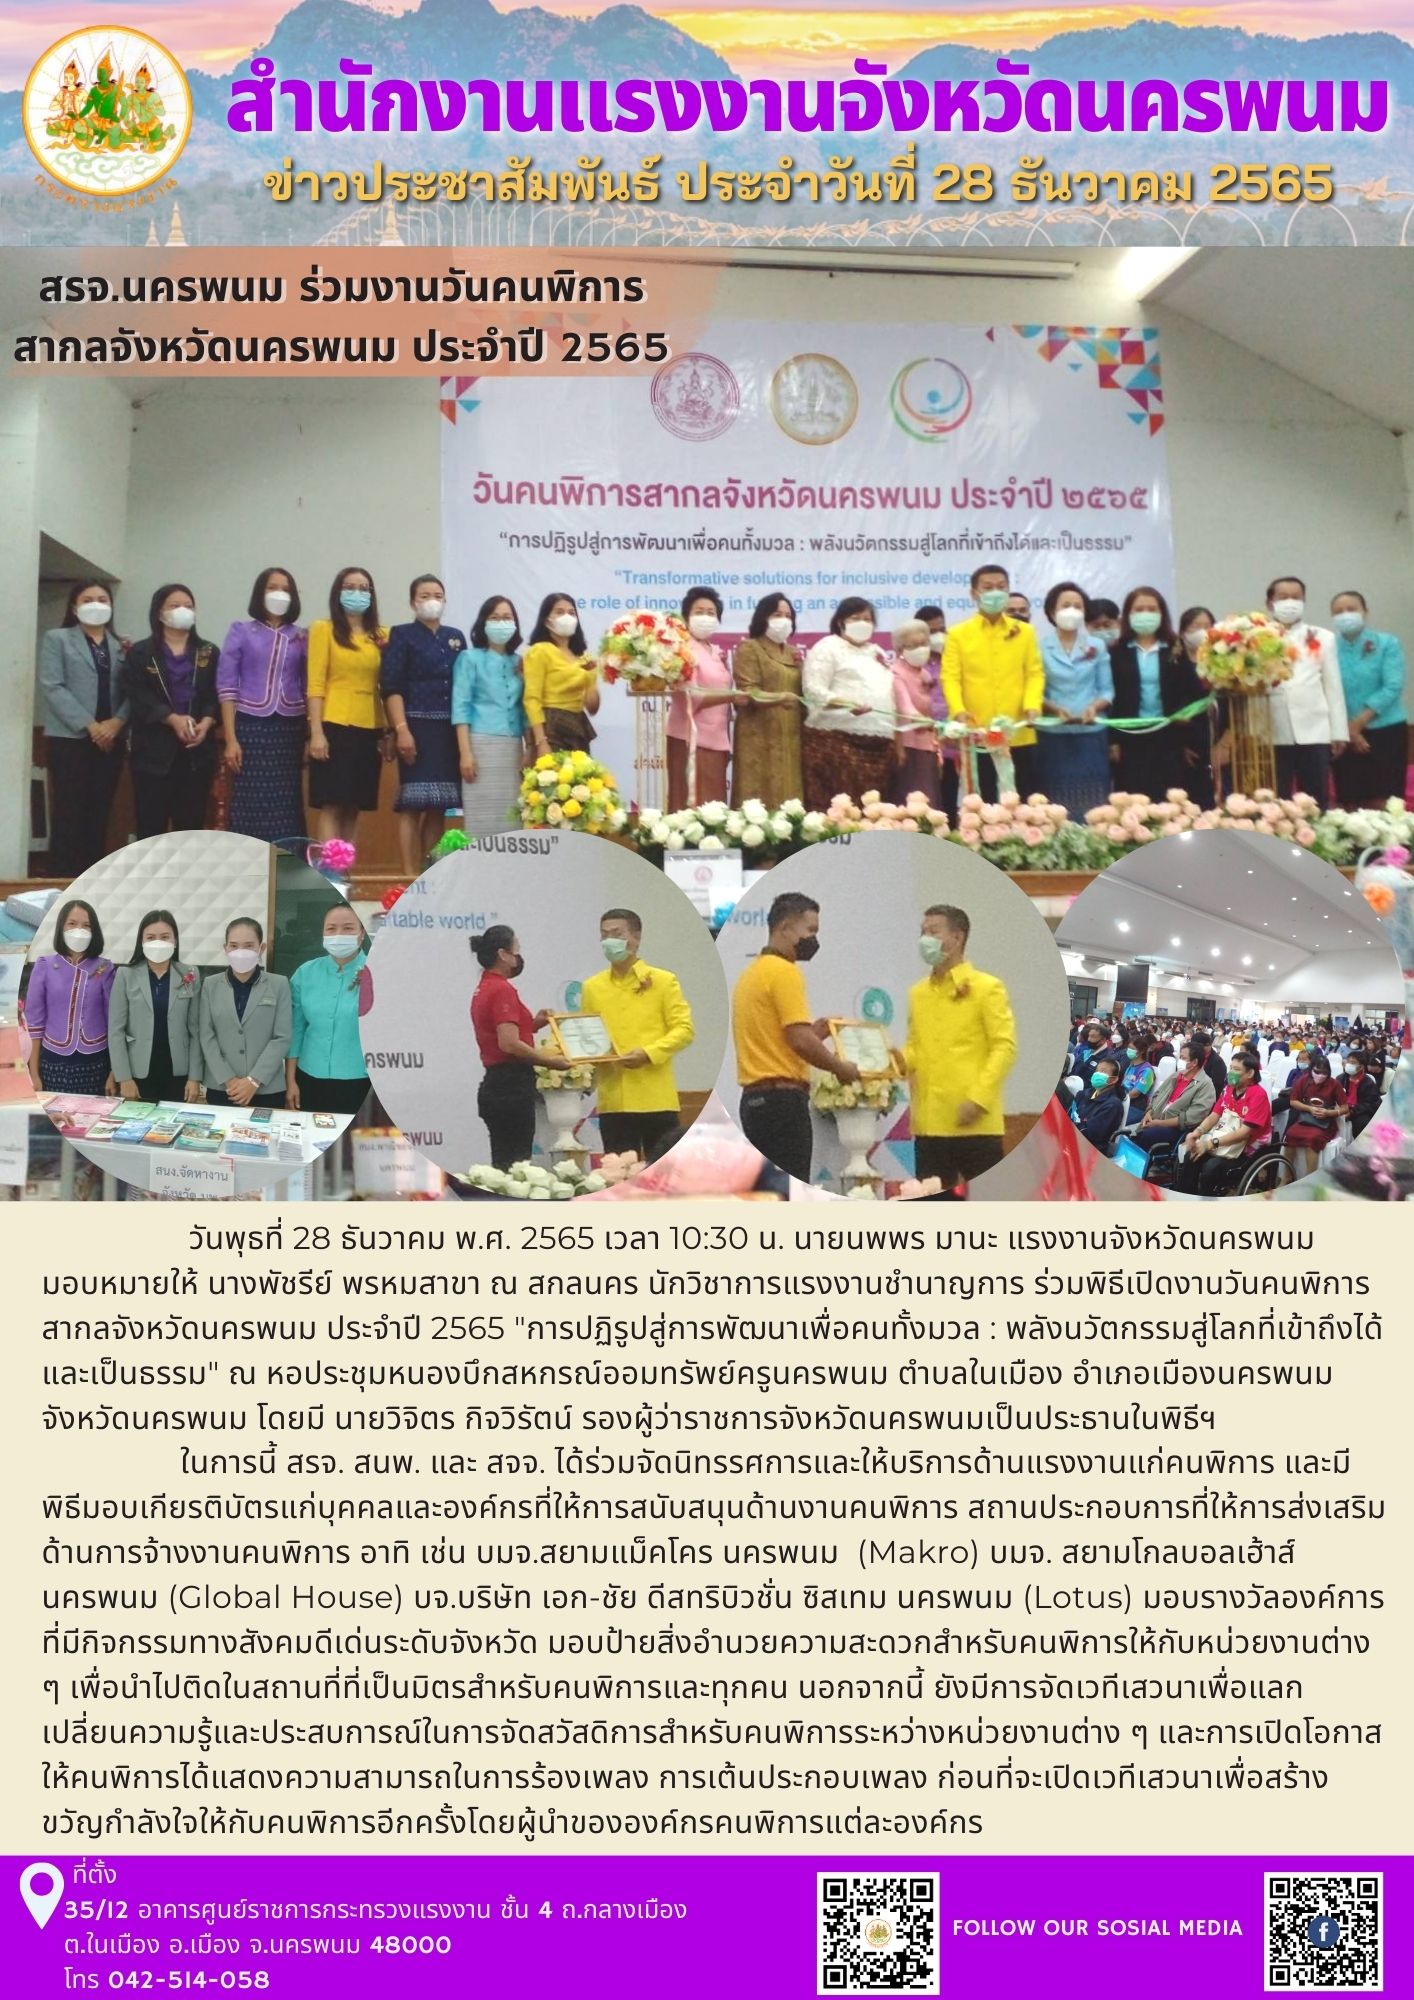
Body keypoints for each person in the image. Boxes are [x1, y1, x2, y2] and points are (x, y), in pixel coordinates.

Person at [731, 892, 860, 1185]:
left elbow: (779, 1040)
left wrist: (815, 1035)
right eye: (811, 930)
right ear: (786, 928)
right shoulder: (785, 972)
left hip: (754, 1103)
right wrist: (840, 1068)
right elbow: (799, 1040)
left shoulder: (751, 975)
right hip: (783, 1104)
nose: (814, 939)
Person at [905, 904, 1017, 1187]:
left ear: (957, 938)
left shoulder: (987, 987)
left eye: (933, 931)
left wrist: (978, 1099)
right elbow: (914, 1047)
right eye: (922, 932)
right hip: (929, 1123)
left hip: (974, 1122)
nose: (925, 939)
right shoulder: (918, 992)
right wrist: (888, 1061)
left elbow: (1004, 1047)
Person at [579, 908, 696, 1160]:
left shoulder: (663, 981)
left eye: (617, 933)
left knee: (664, 1173)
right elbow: (587, 1036)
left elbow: (684, 1030)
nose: (609, 940)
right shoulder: (592, 987)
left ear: (636, 937)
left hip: (656, 1098)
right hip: (614, 1100)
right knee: (618, 1173)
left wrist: (648, 1053)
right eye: (604, 935)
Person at [39, 580, 130, 874]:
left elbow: (135, 691)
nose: (96, 605)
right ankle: (61, 881)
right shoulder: (58, 639)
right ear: (74, 606)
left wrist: (117, 722)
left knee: (99, 813)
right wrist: (91, 726)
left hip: (111, 740)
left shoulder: (122, 646)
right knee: (69, 813)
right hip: (71, 738)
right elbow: (53, 686)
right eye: (88, 599)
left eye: (103, 599)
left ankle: (91, 882)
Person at [122, 583, 221, 840]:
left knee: (190, 827)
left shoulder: (209, 651)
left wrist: (207, 722)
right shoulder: (141, 653)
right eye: (175, 606)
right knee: (150, 827)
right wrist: (171, 718)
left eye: (188, 606)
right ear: (159, 612)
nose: (183, 611)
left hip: (196, 753)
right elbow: (138, 695)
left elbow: (216, 693)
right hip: (152, 752)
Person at [381, 574, 464, 876]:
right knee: (412, 804)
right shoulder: (402, 635)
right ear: (412, 602)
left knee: (438, 805)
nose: (432, 601)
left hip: (448, 731)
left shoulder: (456, 637)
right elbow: (392, 686)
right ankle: (408, 875)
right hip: (415, 727)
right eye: (425, 595)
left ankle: (432, 873)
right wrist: (401, 730)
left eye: (437, 595)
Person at [469, 925, 571, 1171]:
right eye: (516, 949)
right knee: (516, 1166)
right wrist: (551, 1062)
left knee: (505, 1163)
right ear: (503, 954)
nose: (518, 956)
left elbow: (501, 1033)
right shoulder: (502, 989)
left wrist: (534, 1024)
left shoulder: (486, 986)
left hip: (499, 1085)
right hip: (511, 1087)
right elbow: (508, 1043)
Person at [218, 567, 309, 844]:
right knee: (250, 796)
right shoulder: (241, 631)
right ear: (260, 592)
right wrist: (231, 739)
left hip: (289, 728)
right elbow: (226, 686)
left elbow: (310, 686)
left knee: (287, 799)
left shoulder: (302, 636)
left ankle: (286, 860)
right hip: (251, 725)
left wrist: (309, 734)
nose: (279, 593)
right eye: (272, 587)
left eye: (286, 589)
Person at [940, 565, 1044, 801]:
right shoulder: (958, 634)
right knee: (983, 802)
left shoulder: (1025, 632)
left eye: (1001, 587)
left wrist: (1032, 704)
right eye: (987, 587)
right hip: (977, 732)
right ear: (974, 593)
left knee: (1022, 800)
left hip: (1018, 730)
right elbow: (951, 677)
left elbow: (1034, 673)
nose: (995, 592)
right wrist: (958, 711)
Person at [307, 567, 388, 847]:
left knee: (355, 806)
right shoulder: (324, 629)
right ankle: (329, 870)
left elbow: (387, 684)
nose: (357, 593)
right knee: (333, 803)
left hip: (369, 727)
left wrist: (388, 731)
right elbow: (315, 684)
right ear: (338, 593)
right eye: (350, 587)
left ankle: (345, 868)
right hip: (335, 725)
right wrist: (316, 733)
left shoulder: (381, 636)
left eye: (364, 588)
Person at [801, 597, 900, 810]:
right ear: (840, 622)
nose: (863, 623)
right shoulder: (828, 647)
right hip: (836, 743)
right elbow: (813, 690)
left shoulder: (877, 652)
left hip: (880, 747)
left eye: (867, 619)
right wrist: (845, 704)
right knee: (839, 813)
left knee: (873, 815)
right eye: (856, 618)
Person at [1109, 586, 1202, 799]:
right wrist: (1112, 741)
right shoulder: (1117, 651)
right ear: (1128, 614)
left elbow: (1191, 691)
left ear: (1162, 614)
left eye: (1152, 609)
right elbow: (1112, 698)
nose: (1146, 614)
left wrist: (1184, 716)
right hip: (1130, 738)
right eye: (1139, 609)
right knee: (1133, 797)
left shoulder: (1175, 648)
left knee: (1169, 797)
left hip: (1169, 737)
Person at [1264, 576, 1347, 802]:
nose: (1290, 602)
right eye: (1283, 597)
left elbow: (1333, 686)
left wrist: (1338, 732)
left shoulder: (1323, 637)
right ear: (1270, 603)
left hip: (1314, 731)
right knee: (1274, 800)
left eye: (1296, 597)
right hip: (1271, 731)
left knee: (1315, 798)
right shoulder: (1255, 637)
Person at [196, 917, 292, 1110]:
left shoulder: (279, 984)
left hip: (266, 1088)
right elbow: (206, 1035)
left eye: (249, 946)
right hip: (223, 1087)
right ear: (225, 949)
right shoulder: (210, 985)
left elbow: (282, 1037)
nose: (241, 952)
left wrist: (254, 1080)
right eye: (234, 946)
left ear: (261, 948)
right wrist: (229, 1079)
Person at [285, 903, 372, 1117]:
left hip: (361, 1080)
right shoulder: (306, 973)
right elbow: (295, 1030)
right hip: (309, 1078)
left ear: (362, 933)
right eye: (331, 929)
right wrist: (290, 1081)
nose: (339, 935)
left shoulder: (378, 972)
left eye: (348, 928)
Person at [108, 909, 202, 1105]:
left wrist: (195, 1077)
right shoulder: (126, 975)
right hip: (138, 1072)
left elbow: (196, 1031)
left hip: (178, 1073)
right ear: (141, 942)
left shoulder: (190, 974)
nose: (158, 942)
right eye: (150, 937)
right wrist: (124, 1078)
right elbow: (116, 1031)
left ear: (175, 941)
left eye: (165, 937)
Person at [452, 595, 528, 836]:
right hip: (480, 745)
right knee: (482, 819)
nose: (501, 623)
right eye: (494, 618)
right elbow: (460, 707)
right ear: (483, 623)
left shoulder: (520, 662)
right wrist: (465, 753)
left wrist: (529, 749)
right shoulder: (469, 658)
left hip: (513, 747)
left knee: (512, 818)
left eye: (507, 617)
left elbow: (525, 708)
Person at [1036, 581, 1113, 817]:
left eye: (1077, 606)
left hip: (1091, 733)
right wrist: (1053, 708)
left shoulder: (1096, 646)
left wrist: (1094, 707)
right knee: (1054, 801)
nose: (1072, 610)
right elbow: (1034, 693)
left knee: (1094, 802)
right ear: (1052, 612)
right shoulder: (1039, 647)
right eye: (1065, 605)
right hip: (1052, 735)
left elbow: (1107, 691)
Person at [23, 899, 114, 1096]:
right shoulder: (45, 965)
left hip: (95, 1061)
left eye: (86, 925)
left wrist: (114, 1072)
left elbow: (114, 1023)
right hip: (54, 1060)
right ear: (61, 928)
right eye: (72, 923)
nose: (79, 930)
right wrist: (33, 1073)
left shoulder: (105, 968)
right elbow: (34, 1024)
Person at [1330, 591, 1407, 808]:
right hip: (1343, 734)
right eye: (1338, 611)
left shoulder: (1386, 643)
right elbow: (1328, 691)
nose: (1345, 615)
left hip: (1385, 730)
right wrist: (1348, 729)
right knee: (1349, 801)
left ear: (1365, 612)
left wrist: (1358, 724)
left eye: (1351, 609)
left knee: (1386, 802)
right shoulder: (1329, 648)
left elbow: (1392, 686)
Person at [730, 593, 804, 809]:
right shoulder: (749, 648)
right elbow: (748, 691)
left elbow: (802, 691)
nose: (784, 620)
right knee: (757, 799)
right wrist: (780, 697)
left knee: (790, 796)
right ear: (763, 617)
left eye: (788, 616)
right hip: (758, 734)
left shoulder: (793, 653)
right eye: (777, 615)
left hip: (790, 734)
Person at [668, 587, 738, 809]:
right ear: (686, 616)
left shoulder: (714, 651)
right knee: (690, 809)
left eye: (711, 613)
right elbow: (691, 697)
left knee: (714, 809)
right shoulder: (681, 649)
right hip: (689, 739)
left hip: (717, 739)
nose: (705, 617)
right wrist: (731, 696)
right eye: (699, 612)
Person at [1175, 1047, 1271, 1195]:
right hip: (1224, 1137)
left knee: (1211, 1167)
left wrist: (1209, 1144)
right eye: (1231, 1068)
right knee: (1191, 1156)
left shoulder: (1258, 1095)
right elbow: (1214, 1115)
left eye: (1237, 1069)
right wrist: (1197, 1132)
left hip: (1247, 1149)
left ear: (1250, 1073)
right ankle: (1186, 1196)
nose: (1231, 1072)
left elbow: (1244, 1133)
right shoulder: (1228, 1090)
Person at [522, 593, 599, 757]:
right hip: (550, 727)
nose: (567, 617)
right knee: (555, 773)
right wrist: (541, 741)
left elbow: (592, 707)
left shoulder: (583, 657)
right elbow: (532, 699)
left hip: (577, 724)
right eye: (559, 612)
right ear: (546, 620)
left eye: (571, 613)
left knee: (581, 774)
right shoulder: (539, 651)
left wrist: (592, 680)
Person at [889, 619, 943, 808]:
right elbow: (906, 708)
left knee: (931, 801)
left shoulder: (924, 674)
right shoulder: (896, 674)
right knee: (916, 803)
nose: (921, 649)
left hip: (928, 745)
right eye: (913, 645)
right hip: (908, 747)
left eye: (924, 643)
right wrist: (926, 721)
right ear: (900, 649)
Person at [1128, 1041, 1216, 1158]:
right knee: (1133, 1134)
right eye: (1180, 1057)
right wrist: (1149, 1112)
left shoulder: (1205, 1085)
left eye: (1183, 1058)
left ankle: (1139, 1163)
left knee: (1147, 1135)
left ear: (1194, 1062)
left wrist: (1159, 1123)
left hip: (1175, 1127)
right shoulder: (1176, 1075)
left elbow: (1192, 1117)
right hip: (1156, 1117)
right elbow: (1156, 1095)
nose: (1180, 1060)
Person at [1174, 606, 1218, 806]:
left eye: (1207, 626)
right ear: (1183, 631)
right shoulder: (1174, 664)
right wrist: (1180, 745)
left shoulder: (1221, 663)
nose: (1202, 631)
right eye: (1196, 626)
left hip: (1216, 737)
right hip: (1187, 742)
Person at [1283, 1047, 1344, 1180]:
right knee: (1290, 1135)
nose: (1320, 1075)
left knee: (1312, 1139)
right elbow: (1293, 1101)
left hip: (1325, 1123)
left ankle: (1309, 1179)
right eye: (1317, 1071)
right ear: (1311, 1069)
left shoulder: (1334, 1084)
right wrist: (1309, 1109)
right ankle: (1286, 1177)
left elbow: (1345, 1108)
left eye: (1324, 1072)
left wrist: (1329, 1113)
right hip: (1306, 1119)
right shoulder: (1304, 1080)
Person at [1075, 1054, 1126, 1153]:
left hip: (1090, 1149)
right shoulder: (1084, 1093)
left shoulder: (1113, 1105)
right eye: (1097, 1071)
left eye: (1103, 1071)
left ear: (1114, 1079)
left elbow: (1091, 1134)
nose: (1097, 1074)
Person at [1120, 1033, 1156, 1127]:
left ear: (1141, 1051)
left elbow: (1135, 1093)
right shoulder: (1131, 1066)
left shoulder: (1147, 1070)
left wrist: (1121, 1100)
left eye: (1132, 1049)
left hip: (1135, 1106)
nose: (1129, 1050)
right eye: (1128, 1048)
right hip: (1124, 1101)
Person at [1343, 1051, 1381, 1138]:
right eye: (1348, 1061)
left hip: (1359, 1111)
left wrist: (1352, 1112)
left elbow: (1368, 1104)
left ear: (1361, 1067)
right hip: (1342, 1108)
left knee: (1362, 1124)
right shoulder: (1341, 1078)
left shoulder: (1368, 1083)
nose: (1348, 1065)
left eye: (1353, 1063)